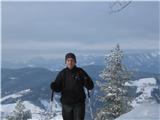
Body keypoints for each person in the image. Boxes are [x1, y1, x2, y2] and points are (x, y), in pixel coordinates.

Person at [50, 52, 94, 120]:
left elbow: (91, 86)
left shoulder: (80, 72)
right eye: (68, 60)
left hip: (79, 104)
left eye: (72, 60)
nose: (70, 62)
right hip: (66, 104)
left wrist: (86, 82)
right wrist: (54, 86)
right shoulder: (62, 73)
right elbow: (58, 88)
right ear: (65, 62)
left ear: (75, 62)